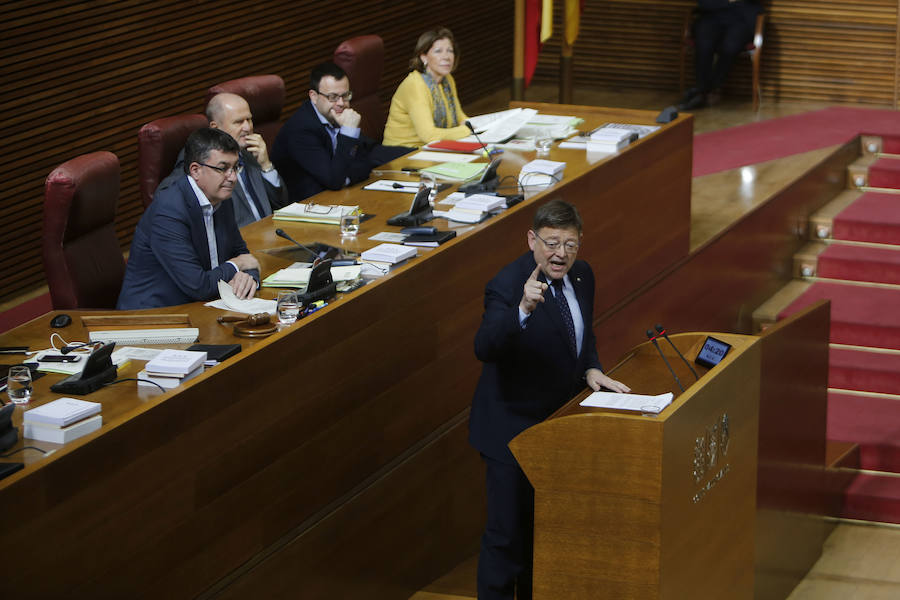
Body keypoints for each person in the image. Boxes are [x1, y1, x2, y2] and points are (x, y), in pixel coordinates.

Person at [468, 200, 631, 600]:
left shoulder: (583, 276)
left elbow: (581, 334)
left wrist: (591, 368)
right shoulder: (507, 285)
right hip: (511, 430)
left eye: (570, 244)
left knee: (545, 533)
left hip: (557, 426)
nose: (561, 254)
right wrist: (522, 308)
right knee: (506, 538)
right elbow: (485, 347)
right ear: (532, 240)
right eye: (552, 243)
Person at [117, 128, 260, 309]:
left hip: (203, 305)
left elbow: (242, 253)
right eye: (223, 168)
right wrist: (237, 265)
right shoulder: (169, 212)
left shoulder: (221, 198)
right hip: (154, 317)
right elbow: (199, 286)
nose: (232, 178)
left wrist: (249, 277)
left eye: (235, 168)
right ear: (196, 170)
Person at [271, 62, 411, 203]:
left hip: (339, 197)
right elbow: (334, 180)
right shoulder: (300, 130)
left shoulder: (335, 117)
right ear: (313, 96)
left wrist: (346, 175)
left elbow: (366, 159)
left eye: (345, 96)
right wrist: (349, 132)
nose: (341, 103)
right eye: (333, 97)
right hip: (309, 207)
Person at [163, 92, 288, 228]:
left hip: (272, 234)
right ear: (215, 128)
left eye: (249, 119)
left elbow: (281, 204)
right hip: (240, 244)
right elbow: (165, 195)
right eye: (239, 122)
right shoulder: (200, 156)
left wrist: (266, 165)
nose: (248, 128)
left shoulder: (250, 151)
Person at [383, 27, 470, 147]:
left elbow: (460, 117)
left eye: (450, 51)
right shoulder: (415, 85)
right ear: (423, 57)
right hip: (403, 151)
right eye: (438, 51)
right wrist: (468, 130)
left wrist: (481, 126)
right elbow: (428, 135)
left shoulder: (447, 79)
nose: (446, 56)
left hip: (430, 148)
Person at [679, 0, 763, 110]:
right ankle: (703, 89)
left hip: (742, 19)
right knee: (704, 43)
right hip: (712, 15)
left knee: (730, 47)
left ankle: (707, 89)